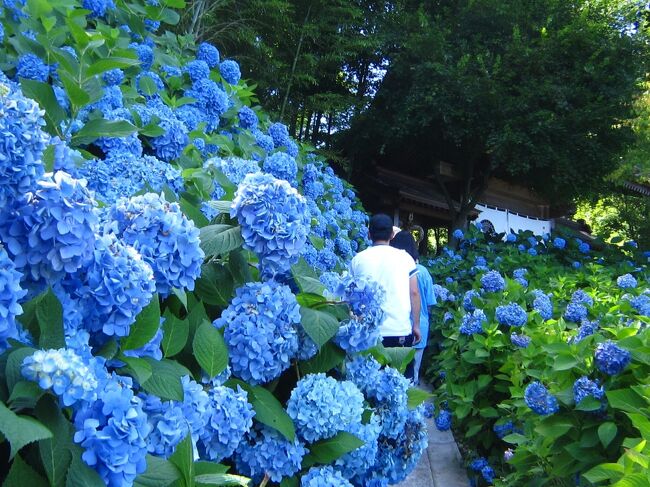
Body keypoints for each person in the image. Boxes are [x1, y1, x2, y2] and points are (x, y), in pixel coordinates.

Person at [350, 214, 421, 378]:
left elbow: (351, 297)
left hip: (368, 336)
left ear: (369, 234)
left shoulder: (358, 260)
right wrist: (416, 325)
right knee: (402, 387)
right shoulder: (406, 258)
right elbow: (414, 292)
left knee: (367, 386)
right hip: (400, 333)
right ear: (392, 235)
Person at [390, 230, 436, 385]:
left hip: (396, 325)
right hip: (419, 325)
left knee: (392, 370)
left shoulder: (393, 270)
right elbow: (430, 303)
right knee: (413, 374)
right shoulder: (423, 272)